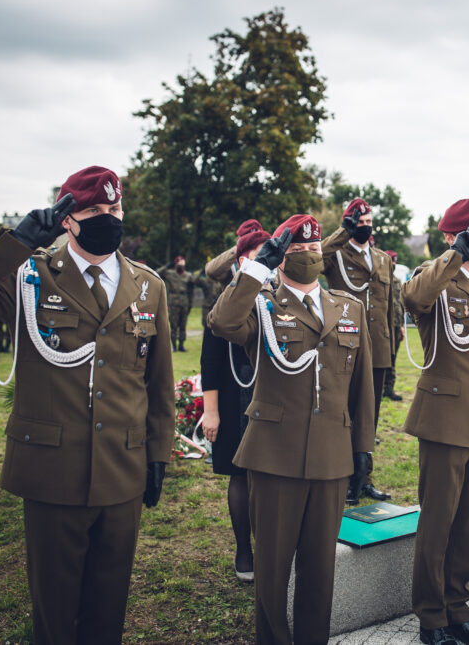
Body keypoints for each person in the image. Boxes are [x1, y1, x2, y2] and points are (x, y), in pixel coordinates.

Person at [0, 166, 174, 644]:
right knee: (56, 608)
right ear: (68, 219)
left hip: (122, 469)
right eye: (93, 210)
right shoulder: (30, 274)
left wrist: (157, 453)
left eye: (115, 209)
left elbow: (159, 382)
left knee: (109, 605)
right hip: (53, 468)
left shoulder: (149, 286)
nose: (108, 217)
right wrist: (16, 243)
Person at [208, 214, 375, 645]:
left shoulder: (349, 307)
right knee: (273, 569)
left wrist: (362, 448)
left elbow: (362, 388)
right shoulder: (260, 305)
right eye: (296, 251)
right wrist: (255, 271)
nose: (307, 257)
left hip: (332, 456)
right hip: (274, 455)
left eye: (313, 250)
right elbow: (222, 322)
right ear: (281, 258)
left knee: (320, 570)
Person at [403, 200, 469, 645]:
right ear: (451, 235)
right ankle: (431, 617)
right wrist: (453, 257)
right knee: (439, 520)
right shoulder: (434, 276)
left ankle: (457, 607)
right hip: (445, 416)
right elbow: (413, 299)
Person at [199, 228, 272, 583]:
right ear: (242, 261)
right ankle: (244, 549)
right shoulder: (225, 299)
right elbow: (209, 361)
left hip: (271, 395)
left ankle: (272, 547)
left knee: (271, 478)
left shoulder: (279, 296)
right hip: (232, 395)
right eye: (261, 256)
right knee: (240, 475)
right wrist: (210, 410)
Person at [322, 198, 395, 503]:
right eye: (359, 222)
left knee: (370, 414)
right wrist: (342, 231)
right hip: (344, 343)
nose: (365, 227)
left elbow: (389, 303)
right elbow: (318, 255)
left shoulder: (382, 259)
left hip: (377, 346)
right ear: (350, 222)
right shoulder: (337, 253)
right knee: (344, 411)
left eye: (368, 222)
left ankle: (364, 476)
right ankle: (342, 475)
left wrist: (391, 343)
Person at [383, 249, 407, 401]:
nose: (393, 264)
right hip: (384, 327)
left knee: (393, 359)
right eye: (391, 261)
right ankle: (378, 390)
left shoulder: (397, 281)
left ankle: (389, 389)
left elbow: (400, 305)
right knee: (382, 359)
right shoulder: (380, 279)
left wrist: (403, 326)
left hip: (397, 326)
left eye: (394, 261)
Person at [158, 255, 195, 351]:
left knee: (183, 325)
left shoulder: (188, 275)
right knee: (173, 325)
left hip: (184, 301)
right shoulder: (170, 273)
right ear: (176, 264)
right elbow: (157, 273)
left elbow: (191, 290)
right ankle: (173, 345)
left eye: (182, 263)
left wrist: (190, 304)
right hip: (173, 301)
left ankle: (181, 345)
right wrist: (166, 266)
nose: (181, 265)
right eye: (179, 263)